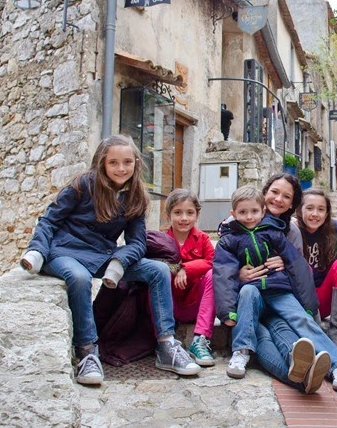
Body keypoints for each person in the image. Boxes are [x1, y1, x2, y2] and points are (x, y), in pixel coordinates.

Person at [20, 134, 201, 385]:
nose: (121, 168)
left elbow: (137, 243)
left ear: (136, 163)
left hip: (102, 255)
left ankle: (166, 345)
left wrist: (119, 261)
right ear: (102, 163)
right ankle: (87, 351)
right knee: (79, 278)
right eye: (113, 162)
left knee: (158, 270)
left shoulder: (136, 196)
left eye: (127, 162)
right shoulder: (82, 185)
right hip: (63, 251)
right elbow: (49, 220)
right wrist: (37, 251)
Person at [213, 185, 337, 393]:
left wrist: (308, 305)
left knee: (300, 320)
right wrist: (227, 311)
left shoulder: (274, 232)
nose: (249, 217)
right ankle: (241, 352)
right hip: (252, 297)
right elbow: (223, 274)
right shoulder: (228, 239)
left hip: (278, 291)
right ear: (234, 213)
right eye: (243, 212)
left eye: (254, 211)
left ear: (262, 211)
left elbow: (297, 265)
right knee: (251, 300)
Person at [295, 189, 337, 360]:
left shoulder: (333, 229)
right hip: (298, 302)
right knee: (303, 266)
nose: (315, 214)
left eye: (321, 209)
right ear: (299, 210)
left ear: (327, 213)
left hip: (323, 300)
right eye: (309, 208)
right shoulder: (291, 231)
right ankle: (311, 333)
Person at [165, 189, 216, 367]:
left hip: (196, 305)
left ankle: (200, 339)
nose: (184, 218)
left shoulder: (202, 239)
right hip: (170, 306)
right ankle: (164, 338)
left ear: (197, 215)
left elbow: (213, 261)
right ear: (168, 215)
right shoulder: (162, 240)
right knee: (158, 273)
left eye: (189, 213)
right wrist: (176, 269)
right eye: (178, 213)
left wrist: (187, 268)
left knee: (213, 275)